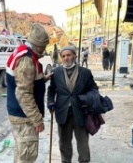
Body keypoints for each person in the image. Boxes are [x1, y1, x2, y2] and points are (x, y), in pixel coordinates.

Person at [6, 23, 52, 162]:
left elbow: (26, 81)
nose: (44, 51)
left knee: (21, 152)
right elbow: (24, 94)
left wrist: (43, 79)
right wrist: (37, 119)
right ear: (37, 46)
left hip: (21, 115)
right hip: (25, 118)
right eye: (43, 47)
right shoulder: (26, 59)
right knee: (26, 155)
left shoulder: (25, 53)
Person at [47, 46, 99, 163]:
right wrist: (50, 101)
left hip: (80, 112)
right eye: (63, 56)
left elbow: (94, 90)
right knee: (64, 142)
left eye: (69, 55)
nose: (66, 58)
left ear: (75, 56)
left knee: (83, 143)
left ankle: (84, 161)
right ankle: (66, 161)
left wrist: (85, 99)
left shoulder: (85, 72)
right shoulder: (56, 72)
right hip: (62, 112)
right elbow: (51, 89)